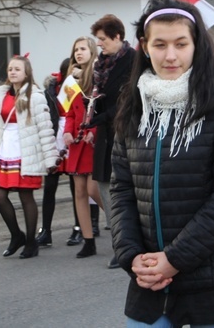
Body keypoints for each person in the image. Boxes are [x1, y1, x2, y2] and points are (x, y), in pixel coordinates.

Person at [110, 0, 214, 326]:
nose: (171, 55)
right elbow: (121, 189)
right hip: (151, 280)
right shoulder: (135, 106)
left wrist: (174, 259)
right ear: (145, 47)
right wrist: (132, 257)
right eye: (160, 44)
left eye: (180, 43)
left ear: (196, 45)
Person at [0, 54, 58, 259]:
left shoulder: (36, 96)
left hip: (26, 151)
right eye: (10, 69)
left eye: (17, 69)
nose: (12, 72)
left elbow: (45, 128)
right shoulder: (2, 96)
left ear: (26, 73)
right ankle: (17, 235)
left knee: (26, 196)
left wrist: (51, 158)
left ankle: (31, 242)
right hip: (5, 150)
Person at [89, 14, 136, 269]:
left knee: (124, 190)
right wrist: (90, 110)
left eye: (103, 39)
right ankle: (120, 242)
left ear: (118, 37)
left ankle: (127, 245)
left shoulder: (133, 61)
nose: (99, 44)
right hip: (105, 134)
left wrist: (100, 117)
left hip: (125, 132)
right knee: (104, 187)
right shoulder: (100, 65)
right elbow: (101, 97)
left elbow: (127, 100)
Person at [60, 36, 104, 258]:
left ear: (93, 51)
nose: (78, 52)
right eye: (76, 49)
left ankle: (123, 229)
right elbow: (69, 112)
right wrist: (67, 130)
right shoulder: (70, 82)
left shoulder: (100, 78)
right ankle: (88, 241)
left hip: (94, 142)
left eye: (83, 48)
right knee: (79, 192)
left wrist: (93, 132)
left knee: (94, 190)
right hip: (77, 143)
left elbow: (105, 110)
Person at [36, 58, 71, 248]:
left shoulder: (83, 86)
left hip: (74, 136)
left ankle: (82, 227)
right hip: (54, 137)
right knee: (50, 186)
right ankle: (46, 230)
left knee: (78, 187)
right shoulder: (52, 89)